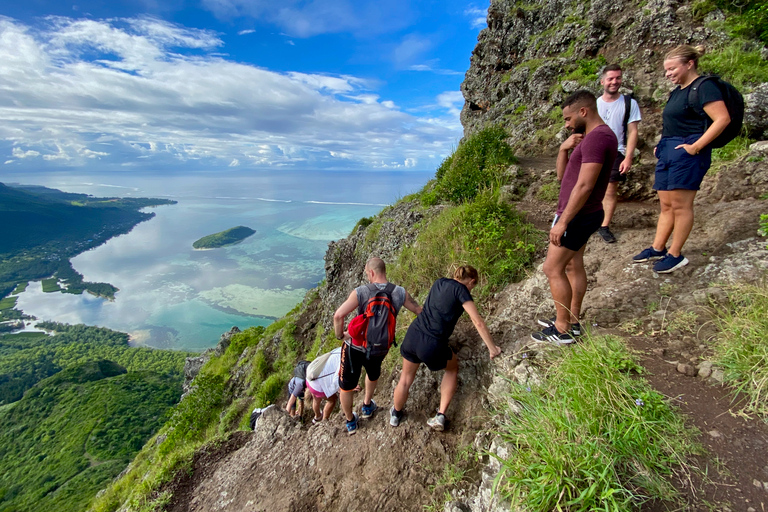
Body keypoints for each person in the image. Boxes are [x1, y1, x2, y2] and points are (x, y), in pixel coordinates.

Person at [633, 45, 730, 273]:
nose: (668, 74)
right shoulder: (677, 91)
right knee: (666, 204)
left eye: (672, 69)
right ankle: (658, 248)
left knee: (681, 205)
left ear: (689, 64)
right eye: (666, 70)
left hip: (688, 151)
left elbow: (722, 119)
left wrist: (695, 147)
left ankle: (675, 254)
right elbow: (673, 121)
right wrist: (661, 145)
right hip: (669, 149)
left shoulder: (705, 87)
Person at [533, 90, 617, 344]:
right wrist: (563, 149)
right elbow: (563, 177)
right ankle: (573, 320)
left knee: (552, 268)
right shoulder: (592, 138)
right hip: (583, 213)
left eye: (568, 119)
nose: (567, 124)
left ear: (584, 112)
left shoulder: (597, 138)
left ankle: (562, 329)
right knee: (572, 265)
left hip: (578, 215)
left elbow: (585, 186)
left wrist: (563, 222)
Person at [391, 266, 501, 431]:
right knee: (452, 368)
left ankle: (395, 414)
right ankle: (440, 415)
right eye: (473, 285)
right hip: (432, 344)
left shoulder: (439, 282)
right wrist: (493, 349)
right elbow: (477, 321)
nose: (471, 289)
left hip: (413, 335)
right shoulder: (462, 291)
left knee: (405, 379)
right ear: (471, 281)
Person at [333, 257, 422, 435]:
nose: (368, 276)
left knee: (346, 385)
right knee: (372, 375)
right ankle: (367, 405)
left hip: (355, 347)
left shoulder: (361, 292)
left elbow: (338, 316)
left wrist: (340, 336)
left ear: (371, 272)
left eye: (367, 273)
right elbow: (420, 311)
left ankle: (350, 421)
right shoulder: (399, 293)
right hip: (380, 347)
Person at [596, 64, 642, 243]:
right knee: (588, 187)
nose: (614, 82)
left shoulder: (629, 103)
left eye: (618, 78)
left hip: (616, 150)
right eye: (610, 78)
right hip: (595, 150)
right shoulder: (594, 104)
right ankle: (590, 220)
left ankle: (604, 225)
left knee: (610, 189)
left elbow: (633, 131)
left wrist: (629, 156)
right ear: (603, 81)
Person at [305, 347, 342, 424]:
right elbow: (338, 377)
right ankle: (324, 421)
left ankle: (317, 416)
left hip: (310, 379)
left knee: (315, 399)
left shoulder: (338, 350)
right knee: (332, 401)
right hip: (319, 385)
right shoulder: (343, 359)